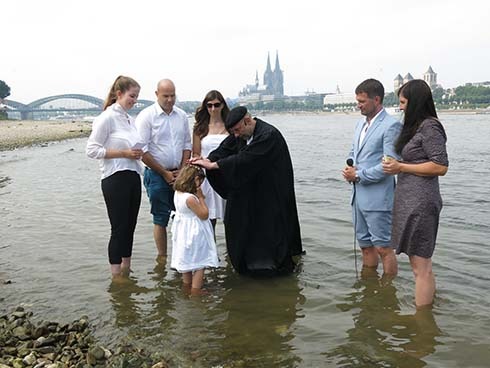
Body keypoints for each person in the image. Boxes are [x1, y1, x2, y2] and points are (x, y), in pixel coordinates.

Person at [190, 106, 303, 275]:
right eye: (233, 131)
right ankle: (245, 263)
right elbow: (225, 149)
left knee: (271, 229)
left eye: (237, 130)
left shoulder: (268, 135)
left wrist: (216, 165)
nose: (235, 135)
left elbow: (248, 158)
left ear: (248, 121)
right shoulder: (242, 133)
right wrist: (209, 159)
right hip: (253, 191)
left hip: (272, 192)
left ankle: (273, 267)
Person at [383, 79, 448, 307]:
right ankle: (428, 313)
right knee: (419, 265)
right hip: (409, 200)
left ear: (416, 101)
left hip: (421, 201)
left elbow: (440, 166)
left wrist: (401, 167)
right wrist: (397, 163)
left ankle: (422, 324)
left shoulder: (430, 127)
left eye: (403, 102)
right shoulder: (416, 127)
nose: (400, 107)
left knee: (421, 266)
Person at [342, 78, 402, 276]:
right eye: (357, 101)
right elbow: (354, 151)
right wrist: (350, 166)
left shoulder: (390, 126)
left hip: (378, 199)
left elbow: (389, 165)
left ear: (376, 100)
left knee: (384, 249)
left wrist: (358, 174)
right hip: (358, 198)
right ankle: (369, 291)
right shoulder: (360, 124)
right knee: (365, 247)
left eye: (362, 101)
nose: (358, 105)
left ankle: (387, 295)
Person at [86, 75, 144, 279]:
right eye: (132, 96)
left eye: (136, 97)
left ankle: (127, 269)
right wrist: (124, 154)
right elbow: (91, 150)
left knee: (131, 226)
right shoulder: (107, 117)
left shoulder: (129, 119)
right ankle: (116, 276)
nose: (134, 101)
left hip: (133, 176)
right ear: (119, 94)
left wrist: (136, 154)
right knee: (118, 228)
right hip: (114, 178)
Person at [135, 79, 192, 264]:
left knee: (183, 215)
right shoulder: (146, 116)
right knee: (160, 217)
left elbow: (186, 144)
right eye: (165, 96)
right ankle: (162, 257)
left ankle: (181, 257)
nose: (169, 99)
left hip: (180, 172)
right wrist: (164, 173)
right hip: (156, 174)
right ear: (157, 94)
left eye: (172, 95)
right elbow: (141, 151)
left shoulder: (182, 116)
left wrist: (183, 171)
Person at [170, 164, 219, 294]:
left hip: (182, 231)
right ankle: (196, 290)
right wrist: (202, 198)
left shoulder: (178, 193)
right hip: (194, 232)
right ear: (194, 179)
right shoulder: (190, 198)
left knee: (186, 261)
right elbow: (204, 215)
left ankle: (186, 286)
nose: (200, 185)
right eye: (199, 182)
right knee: (199, 262)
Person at [192, 90, 230, 232]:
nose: (213, 109)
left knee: (231, 219)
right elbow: (196, 153)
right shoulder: (199, 128)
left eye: (216, 105)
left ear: (222, 106)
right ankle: (211, 253)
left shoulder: (230, 126)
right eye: (209, 105)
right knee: (209, 220)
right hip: (207, 177)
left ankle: (232, 253)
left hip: (227, 174)